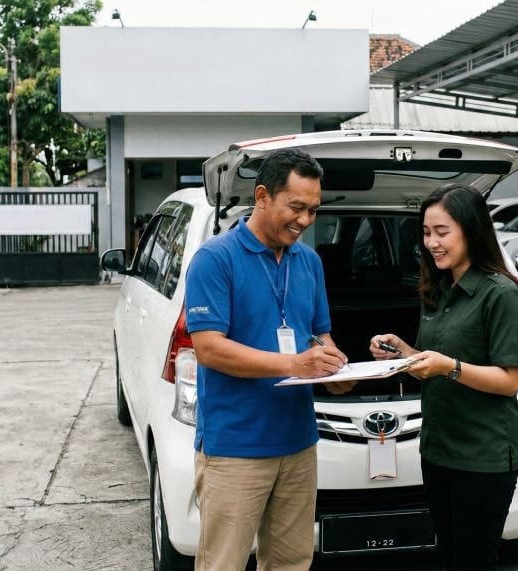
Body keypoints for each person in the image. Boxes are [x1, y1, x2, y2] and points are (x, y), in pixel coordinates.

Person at [184, 148, 354, 571]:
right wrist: (295, 365)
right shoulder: (215, 259)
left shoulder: (309, 262)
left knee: (292, 562)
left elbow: (320, 336)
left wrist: (334, 369)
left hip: (298, 443)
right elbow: (208, 348)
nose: (305, 221)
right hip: (235, 446)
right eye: (296, 207)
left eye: (313, 211)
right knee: (223, 563)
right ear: (262, 196)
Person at [369, 183, 518, 570]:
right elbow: (437, 361)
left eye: (442, 232)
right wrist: (405, 354)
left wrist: (450, 367)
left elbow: (510, 380)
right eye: (426, 233)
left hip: (483, 457)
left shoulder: (500, 294)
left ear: (472, 231)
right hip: (439, 451)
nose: (432, 243)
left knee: (474, 561)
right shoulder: (440, 288)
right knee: (449, 557)